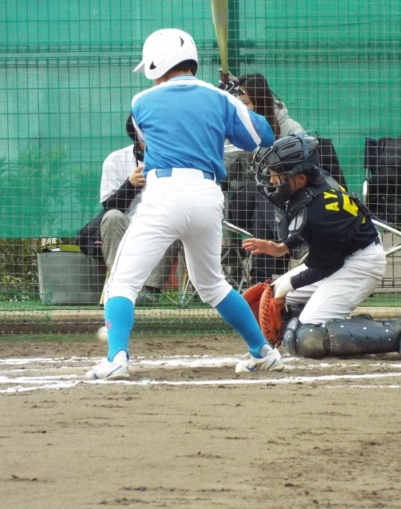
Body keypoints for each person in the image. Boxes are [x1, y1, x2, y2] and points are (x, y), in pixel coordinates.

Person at [85, 28, 282, 380]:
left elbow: (155, 137)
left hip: (165, 194)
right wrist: (233, 104)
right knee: (212, 285)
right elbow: (262, 137)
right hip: (208, 196)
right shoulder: (219, 99)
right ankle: (263, 352)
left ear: (158, 63)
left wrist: (224, 104)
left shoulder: (141, 102)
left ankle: (117, 358)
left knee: (122, 283)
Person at [242, 134, 401, 360]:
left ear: (300, 178)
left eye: (277, 175)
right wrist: (282, 248)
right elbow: (312, 231)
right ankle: (343, 326)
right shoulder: (313, 190)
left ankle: (400, 331)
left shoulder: (319, 209)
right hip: (341, 254)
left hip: (361, 264)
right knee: (276, 296)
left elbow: (327, 265)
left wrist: (286, 285)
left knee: (307, 337)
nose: (272, 181)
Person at [224, 73, 306, 284]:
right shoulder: (235, 128)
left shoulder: (291, 128)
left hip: (282, 202)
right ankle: (292, 243)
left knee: (262, 208)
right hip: (243, 204)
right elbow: (221, 165)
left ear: (259, 102)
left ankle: (261, 281)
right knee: (262, 190)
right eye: (240, 104)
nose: (243, 109)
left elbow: (303, 165)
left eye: (246, 103)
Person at [98, 115, 178, 305]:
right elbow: (109, 206)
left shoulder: (175, 158)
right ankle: (120, 285)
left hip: (158, 225)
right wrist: (130, 185)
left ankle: (149, 290)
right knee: (111, 217)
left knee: (173, 217)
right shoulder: (116, 160)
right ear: (137, 138)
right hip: (127, 227)